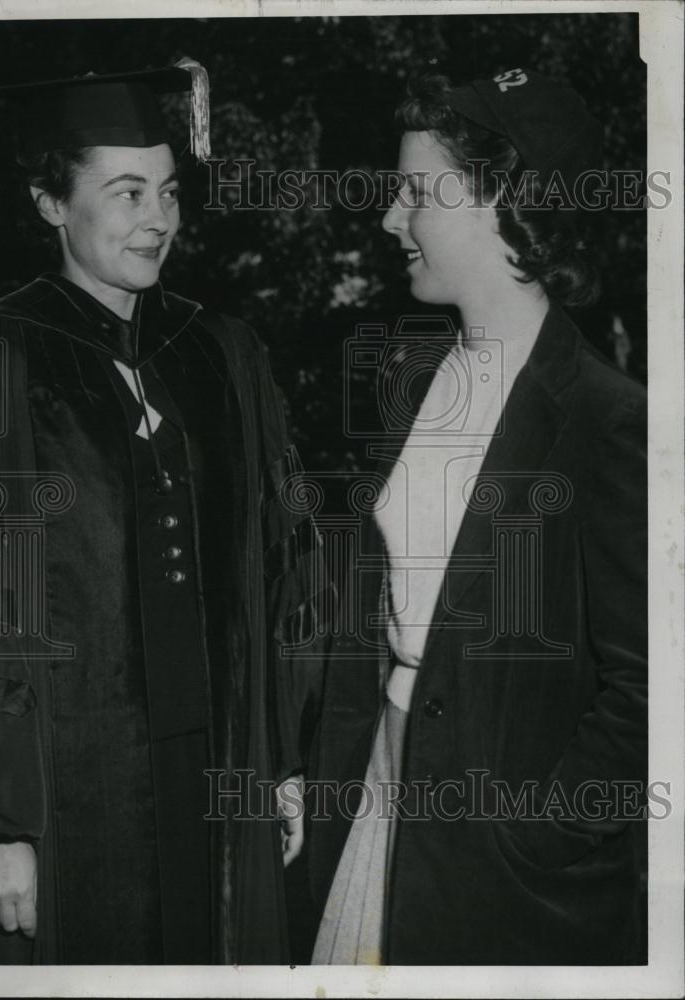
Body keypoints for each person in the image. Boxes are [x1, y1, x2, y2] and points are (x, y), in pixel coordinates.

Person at [0, 62, 327, 965]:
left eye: (168, 191)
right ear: (49, 203)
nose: (158, 218)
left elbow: (287, 563)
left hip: (221, 757)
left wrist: (286, 759)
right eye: (125, 193)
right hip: (71, 773)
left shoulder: (222, 352)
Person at [308, 68, 647, 964]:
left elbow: (648, 692)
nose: (389, 219)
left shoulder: (610, 421)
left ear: (502, 201)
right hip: (377, 798)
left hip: (501, 873)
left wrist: (530, 839)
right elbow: (368, 611)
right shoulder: (410, 374)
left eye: (416, 193)